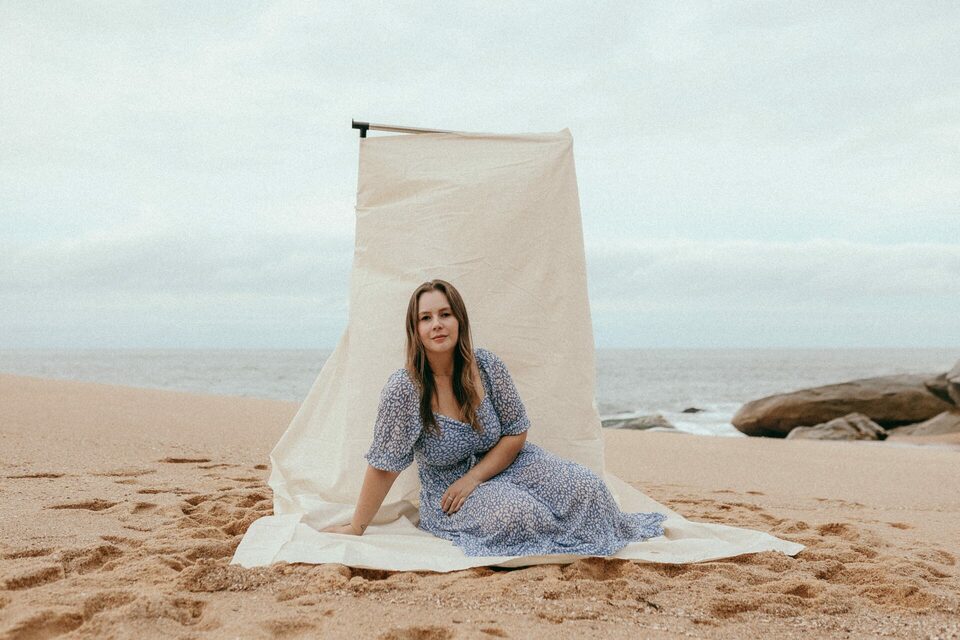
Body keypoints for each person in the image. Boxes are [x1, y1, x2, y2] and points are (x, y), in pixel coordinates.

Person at [322, 279, 667, 556]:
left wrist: (475, 476)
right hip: (450, 490)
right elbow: (384, 465)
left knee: (587, 488)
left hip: (511, 463)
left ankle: (581, 538)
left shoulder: (487, 366)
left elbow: (516, 432)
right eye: (425, 318)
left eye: (445, 314)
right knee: (518, 514)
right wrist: (357, 526)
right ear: (415, 329)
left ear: (460, 320)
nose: (437, 324)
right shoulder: (405, 389)